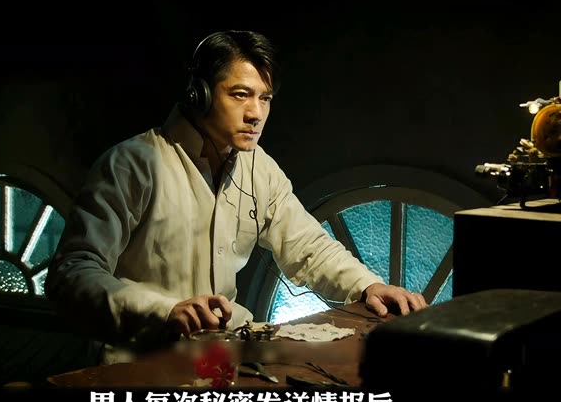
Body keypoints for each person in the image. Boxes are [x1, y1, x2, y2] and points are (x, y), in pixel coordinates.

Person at [45, 30, 428, 364]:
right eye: (241, 95)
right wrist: (165, 311)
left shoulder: (259, 167)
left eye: (265, 98)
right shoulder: (132, 164)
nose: (255, 113)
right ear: (199, 94)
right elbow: (72, 274)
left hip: (222, 359)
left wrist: (368, 286)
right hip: (139, 362)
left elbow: (308, 246)